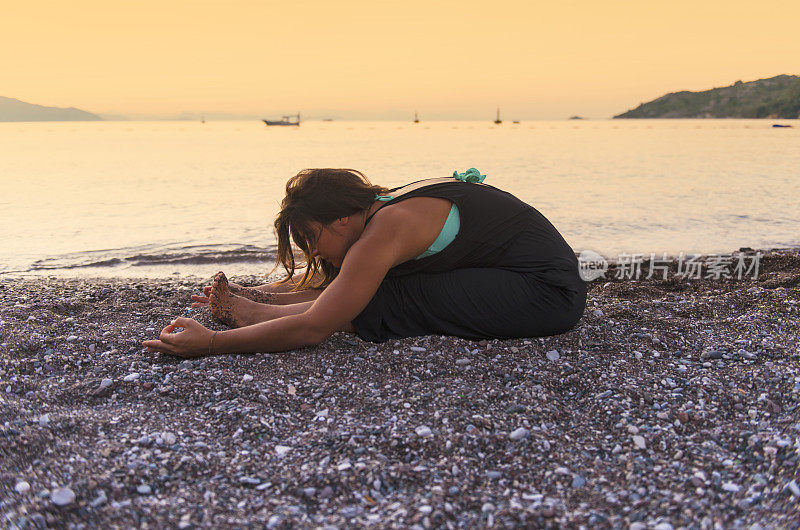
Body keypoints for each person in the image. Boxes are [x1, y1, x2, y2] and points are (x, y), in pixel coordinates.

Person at [143, 168, 586, 357]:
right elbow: (346, 283)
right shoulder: (383, 207)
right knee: (373, 287)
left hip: (545, 295)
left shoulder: (386, 228)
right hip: (520, 278)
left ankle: (257, 312)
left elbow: (316, 328)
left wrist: (212, 346)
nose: (313, 252)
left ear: (341, 216)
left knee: (397, 297)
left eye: (313, 238)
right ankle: (262, 304)